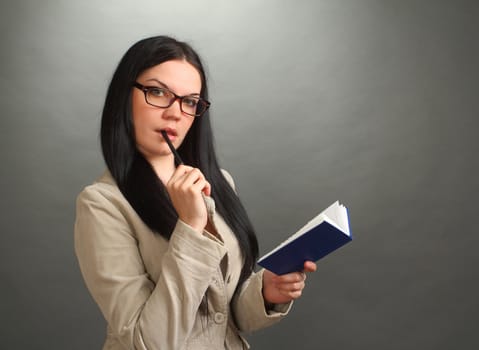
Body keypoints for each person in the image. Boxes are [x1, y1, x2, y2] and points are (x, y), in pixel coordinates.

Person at [74, 35, 317, 349]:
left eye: (189, 101)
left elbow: (220, 316)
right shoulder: (102, 204)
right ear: (125, 95)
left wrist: (265, 292)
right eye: (158, 92)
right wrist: (190, 227)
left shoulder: (219, 183)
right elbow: (146, 341)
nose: (176, 112)